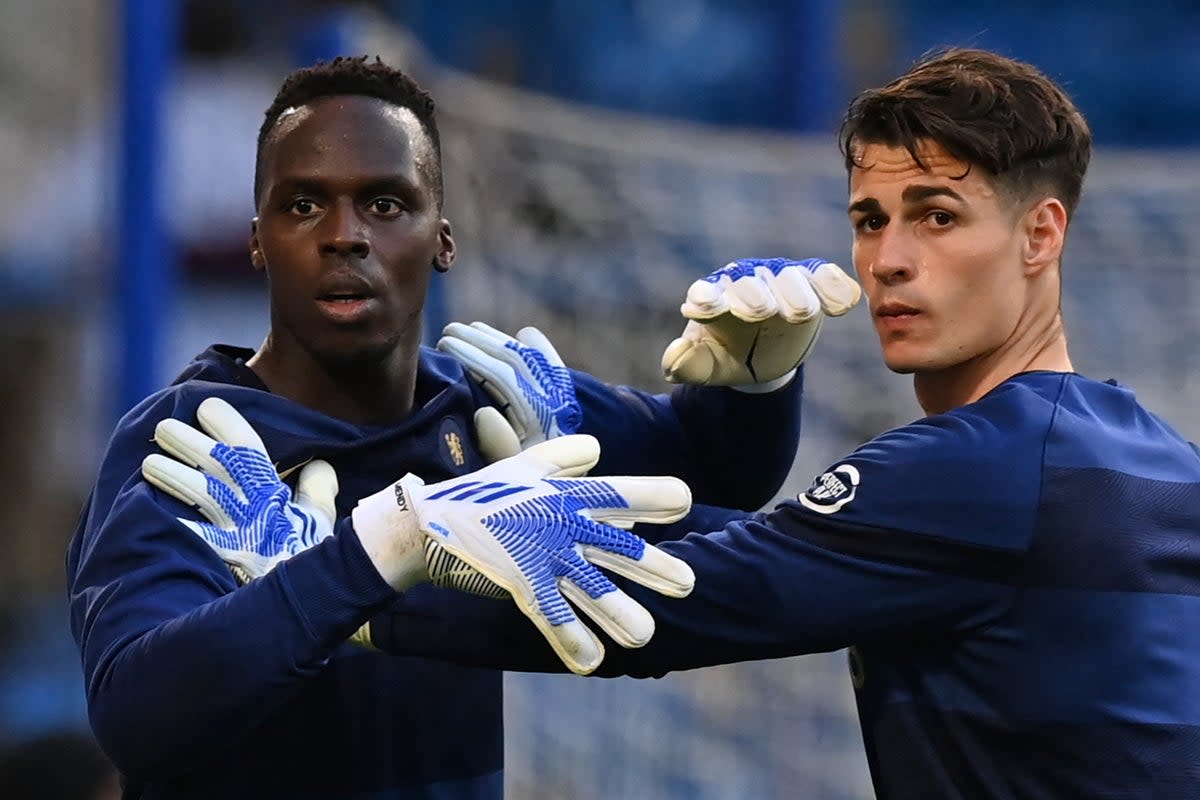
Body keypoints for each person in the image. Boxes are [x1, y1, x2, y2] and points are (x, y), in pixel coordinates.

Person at [169, 48, 1200, 798]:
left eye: (937, 216)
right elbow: (777, 549)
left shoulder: (987, 465)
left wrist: (343, 574)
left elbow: (669, 601)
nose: (886, 259)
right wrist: (729, 416)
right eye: (869, 219)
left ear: (1041, 234)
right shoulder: (1157, 457)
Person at [65, 55, 857, 799]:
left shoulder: (487, 404)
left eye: (385, 204)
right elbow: (140, 715)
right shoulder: (192, 443)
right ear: (257, 241)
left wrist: (757, 385)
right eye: (304, 204)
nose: (344, 235)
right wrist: (372, 554)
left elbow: (711, 485)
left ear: (442, 238)